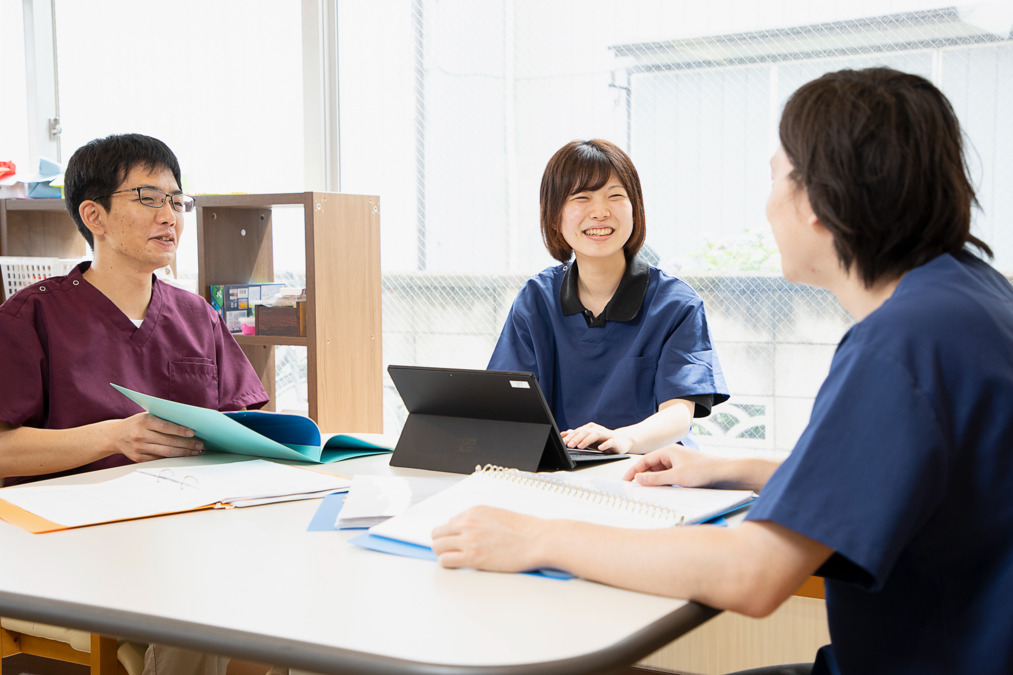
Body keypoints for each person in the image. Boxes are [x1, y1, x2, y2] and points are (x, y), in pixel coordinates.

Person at [432, 67, 1013, 674]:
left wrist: (537, 539)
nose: (767, 205)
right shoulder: (971, 300)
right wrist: (737, 466)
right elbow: (909, 468)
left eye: (774, 178)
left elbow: (753, 573)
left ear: (819, 199)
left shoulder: (900, 346)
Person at [0, 133, 269, 675]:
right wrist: (114, 435)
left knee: (282, 585)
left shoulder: (197, 315)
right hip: (72, 540)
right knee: (200, 602)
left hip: (185, 523)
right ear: (94, 216)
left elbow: (244, 424)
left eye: (176, 200)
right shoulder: (30, 317)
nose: (169, 215)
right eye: (148, 198)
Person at [488, 139, 728, 454]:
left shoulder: (676, 304)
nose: (600, 212)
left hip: (650, 473)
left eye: (615, 196)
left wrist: (625, 439)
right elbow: (506, 402)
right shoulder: (536, 299)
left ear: (635, 209)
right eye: (581, 198)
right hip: (563, 474)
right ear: (554, 216)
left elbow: (678, 414)